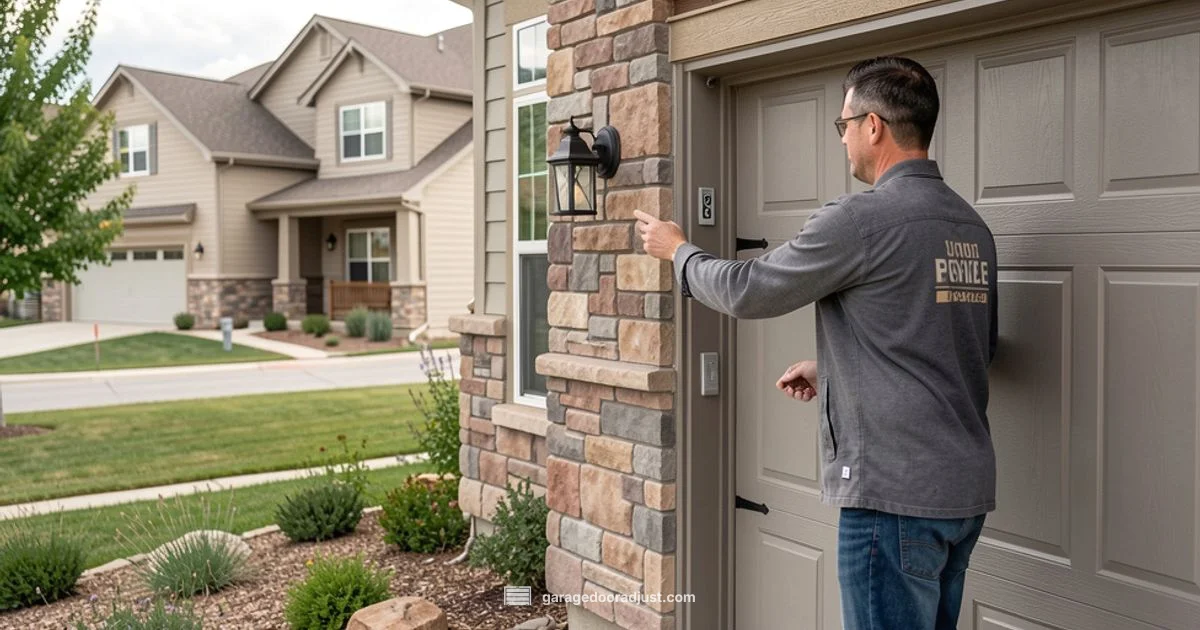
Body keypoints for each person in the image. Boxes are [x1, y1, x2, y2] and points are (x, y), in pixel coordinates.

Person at [633, 56, 998, 630]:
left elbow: (748, 290)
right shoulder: (971, 227)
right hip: (961, 496)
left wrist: (677, 251)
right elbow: (957, 349)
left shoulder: (861, 220)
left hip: (891, 500)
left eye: (843, 125)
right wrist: (832, 371)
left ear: (873, 126)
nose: (844, 139)